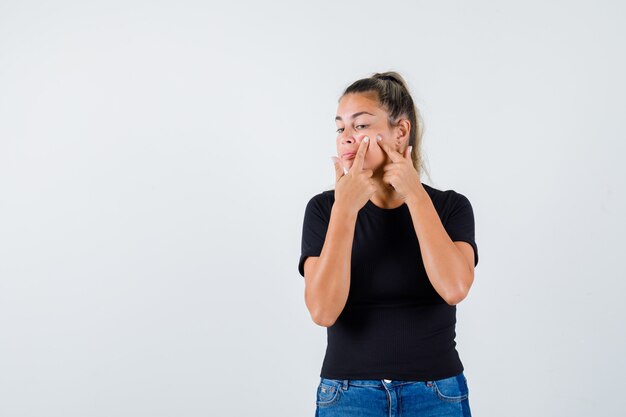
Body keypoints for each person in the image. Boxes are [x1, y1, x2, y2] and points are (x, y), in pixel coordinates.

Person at [297, 71, 478, 417]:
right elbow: (322, 311)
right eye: (340, 128)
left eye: (361, 126)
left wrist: (414, 194)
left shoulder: (451, 207)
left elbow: (455, 287)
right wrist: (345, 210)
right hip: (347, 397)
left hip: (436, 394)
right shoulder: (323, 210)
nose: (347, 138)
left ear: (401, 132)